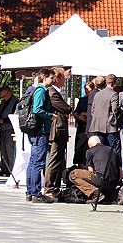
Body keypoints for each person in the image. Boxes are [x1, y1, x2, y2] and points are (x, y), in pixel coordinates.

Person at [26, 68, 56, 203]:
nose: (52, 80)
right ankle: (35, 193)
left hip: (36, 130)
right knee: (37, 162)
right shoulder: (41, 91)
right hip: (40, 130)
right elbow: (37, 109)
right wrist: (50, 115)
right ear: (44, 78)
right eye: (51, 78)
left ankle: (31, 191)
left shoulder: (36, 90)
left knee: (33, 161)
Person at [43, 68, 72, 198]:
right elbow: (65, 108)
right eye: (63, 79)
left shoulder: (55, 92)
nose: (64, 81)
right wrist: (67, 109)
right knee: (54, 158)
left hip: (60, 129)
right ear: (57, 79)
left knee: (59, 158)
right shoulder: (52, 92)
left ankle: (54, 186)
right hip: (57, 129)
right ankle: (49, 187)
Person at [69, 135, 122, 203]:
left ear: (90, 145)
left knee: (74, 174)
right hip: (113, 182)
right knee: (106, 193)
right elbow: (121, 173)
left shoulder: (90, 151)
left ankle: (95, 193)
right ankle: (115, 194)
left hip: (101, 179)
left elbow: (90, 171)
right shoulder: (113, 150)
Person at [88, 75, 121, 151]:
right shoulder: (114, 94)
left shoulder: (97, 94)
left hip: (98, 126)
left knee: (100, 150)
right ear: (114, 83)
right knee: (114, 150)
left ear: (106, 82)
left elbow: (92, 110)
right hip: (110, 127)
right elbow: (115, 110)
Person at [0, 86, 18, 177]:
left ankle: (11, 170)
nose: (3, 98)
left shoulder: (16, 102)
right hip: (3, 129)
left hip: (10, 129)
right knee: (3, 150)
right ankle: (4, 169)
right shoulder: (4, 102)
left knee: (10, 150)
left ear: (9, 93)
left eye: (5, 96)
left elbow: (15, 117)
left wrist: (3, 121)